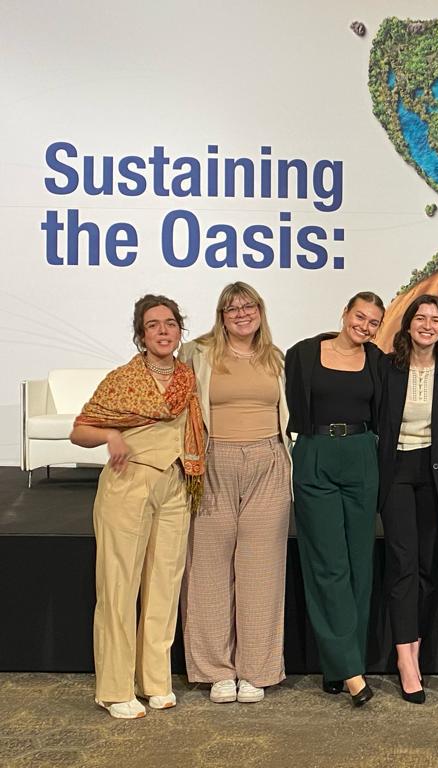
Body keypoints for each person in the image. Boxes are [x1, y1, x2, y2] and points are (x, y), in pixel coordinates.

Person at [71, 295, 205, 719]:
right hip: (128, 485)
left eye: (169, 323)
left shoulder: (187, 378)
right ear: (141, 334)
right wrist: (111, 435)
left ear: (179, 329)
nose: (163, 331)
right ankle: (113, 688)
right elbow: (79, 431)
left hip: (176, 484)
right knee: (119, 587)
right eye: (153, 325)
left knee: (164, 585)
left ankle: (155, 681)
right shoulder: (123, 379)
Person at [178, 282, 290, 705]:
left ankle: (257, 670)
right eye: (232, 308)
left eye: (249, 306)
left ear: (260, 311)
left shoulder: (276, 358)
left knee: (261, 572)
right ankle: (215, 671)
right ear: (221, 315)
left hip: (268, 462)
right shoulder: (198, 353)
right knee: (207, 570)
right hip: (213, 463)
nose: (241, 313)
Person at [284, 292, 386, 707]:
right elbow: (292, 404)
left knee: (359, 564)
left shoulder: (377, 360)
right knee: (327, 563)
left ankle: (341, 665)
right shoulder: (303, 354)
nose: (364, 326)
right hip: (316, 452)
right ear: (344, 313)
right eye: (359, 316)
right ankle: (350, 670)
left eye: (373, 322)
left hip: (362, 454)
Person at [377, 295, 438, 705]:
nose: (427, 324)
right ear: (407, 325)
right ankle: (405, 659)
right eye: (420, 318)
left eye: (435, 319)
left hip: (434, 476)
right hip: (397, 475)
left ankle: (416, 649)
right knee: (403, 564)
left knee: (428, 566)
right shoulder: (387, 368)